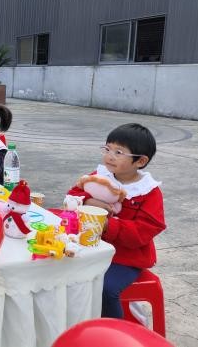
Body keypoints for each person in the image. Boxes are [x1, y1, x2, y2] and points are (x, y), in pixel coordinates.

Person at [67, 123, 166, 319]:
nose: (109, 156)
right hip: (92, 247)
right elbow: (73, 194)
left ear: (140, 161)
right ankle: (78, 323)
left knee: (106, 288)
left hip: (126, 258)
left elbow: (144, 231)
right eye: (107, 148)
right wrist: (88, 200)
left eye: (118, 152)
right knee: (63, 273)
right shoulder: (100, 176)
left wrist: (106, 224)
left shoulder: (149, 191)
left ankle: (113, 332)